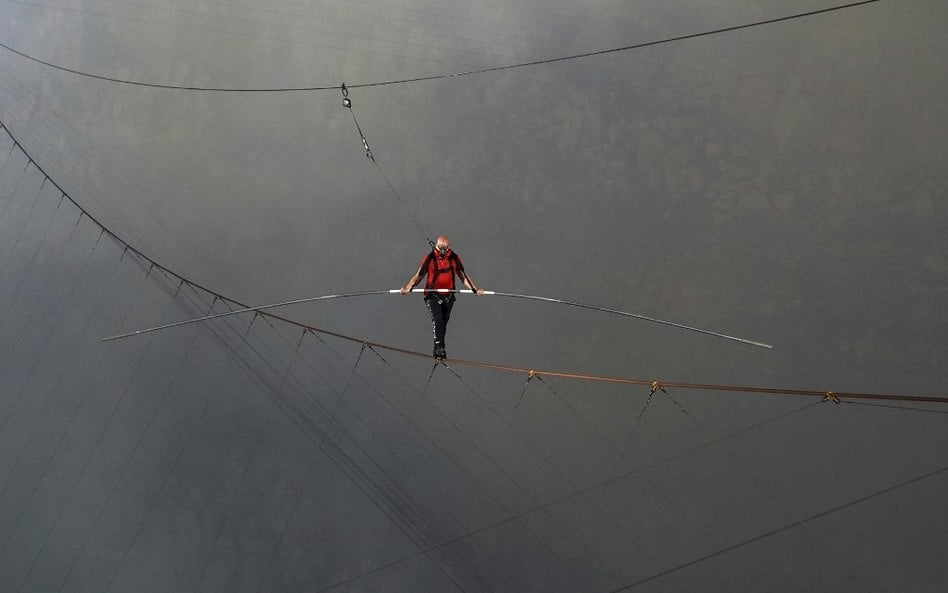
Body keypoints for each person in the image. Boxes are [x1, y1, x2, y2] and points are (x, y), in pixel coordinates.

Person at [401, 235, 484, 359]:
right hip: (432, 295)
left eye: (445, 248)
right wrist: (408, 287)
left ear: (449, 247)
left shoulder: (454, 258)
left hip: (448, 296)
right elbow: (419, 275)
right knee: (438, 321)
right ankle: (440, 349)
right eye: (440, 248)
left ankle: (437, 350)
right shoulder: (429, 259)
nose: (443, 251)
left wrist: (475, 289)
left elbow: (463, 276)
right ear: (436, 246)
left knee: (443, 323)